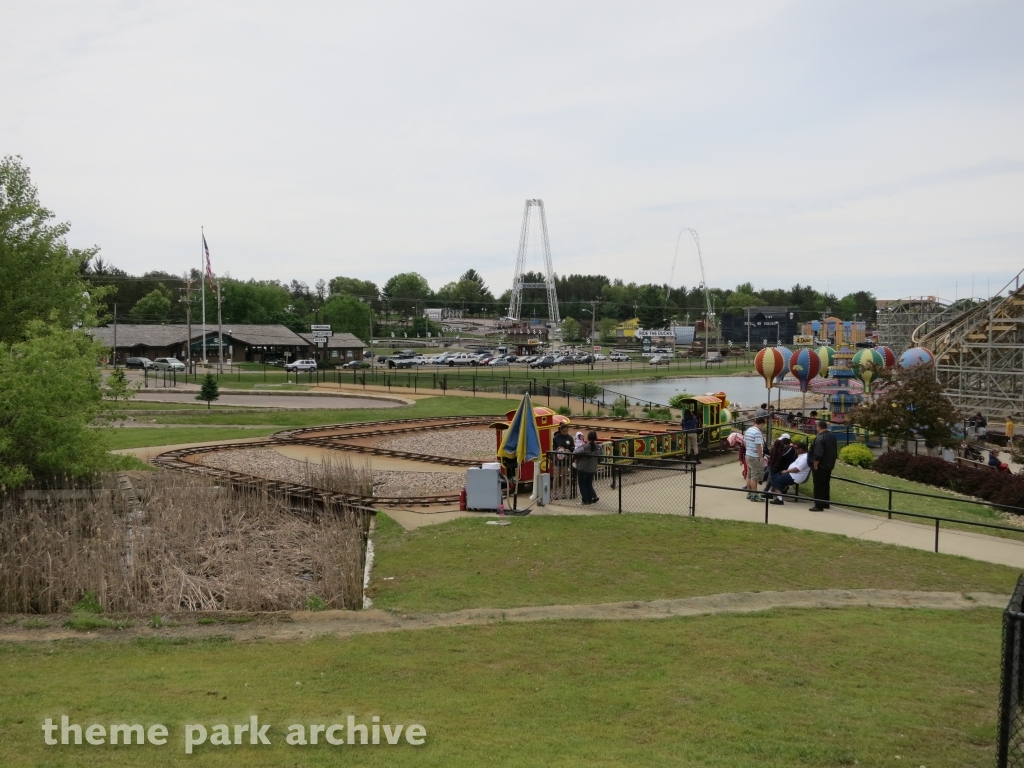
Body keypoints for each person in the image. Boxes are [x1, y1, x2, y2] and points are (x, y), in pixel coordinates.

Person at [809, 420, 838, 511]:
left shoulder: (820, 438)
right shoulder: (832, 436)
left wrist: (815, 464)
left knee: (818, 485)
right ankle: (825, 502)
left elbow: (818, 453)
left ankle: (819, 504)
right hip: (829, 464)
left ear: (819, 427)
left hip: (821, 465)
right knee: (825, 484)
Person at [574, 430, 601, 505]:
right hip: (593, 468)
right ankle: (590, 498)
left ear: (588, 438)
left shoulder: (585, 447)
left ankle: (585, 500)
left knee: (582, 484)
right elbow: (600, 459)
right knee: (589, 483)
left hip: (583, 468)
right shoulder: (598, 447)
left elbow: (575, 452)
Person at [766, 434, 797, 500]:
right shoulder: (781, 448)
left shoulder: (790, 449)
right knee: (769, 474)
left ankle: (769, 491)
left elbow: (783, 456)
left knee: (772, 477)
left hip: (784, 468)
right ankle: (769, 491)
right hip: (777, 466)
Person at [744, 417, 766, 501]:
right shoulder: (757, 432)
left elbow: (745, 442)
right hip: (755, 456)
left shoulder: (748, 430)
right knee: (755, 476)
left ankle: (750, 492)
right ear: (762, 423)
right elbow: (758, 446)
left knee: (749, 474)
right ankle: (754, 494)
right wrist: (761, 457)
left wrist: (748, 450)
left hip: (748, 455)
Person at [551, 423, 574, 499]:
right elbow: (554, 448)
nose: (565, 433)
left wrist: (568, 450)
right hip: (557, 461)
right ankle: (555, 493)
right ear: (560, 430)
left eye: (566, 431)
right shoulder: (556, 438)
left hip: (566, 461)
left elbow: (572, 448)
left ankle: (564, 492)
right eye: (564, 431)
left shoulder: (570, 438)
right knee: (556, 477)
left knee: (564, 476)